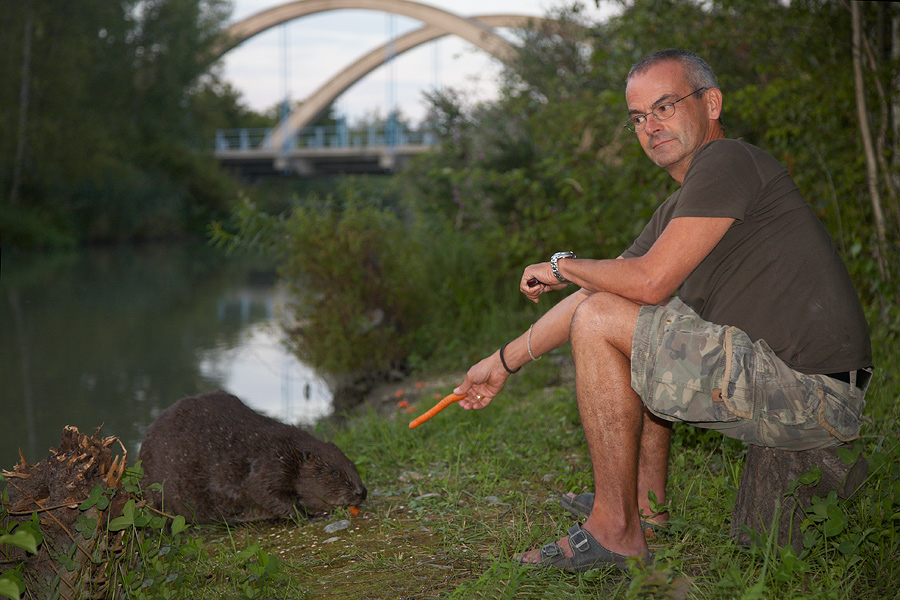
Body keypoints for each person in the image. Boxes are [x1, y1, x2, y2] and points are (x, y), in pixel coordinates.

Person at [452, 49, 873, 572]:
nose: (650, 126)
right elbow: (612, 292)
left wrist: (563, 264)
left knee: (607, 320)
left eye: (665, 106)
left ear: (711, 103)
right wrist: (502, 362)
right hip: (789, 383)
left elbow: (647, 282)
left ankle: (616, 530)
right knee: (619, 316)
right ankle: (644, 510)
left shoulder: (728, 161)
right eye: (637, 118)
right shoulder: (683, 205)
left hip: (812, 395)